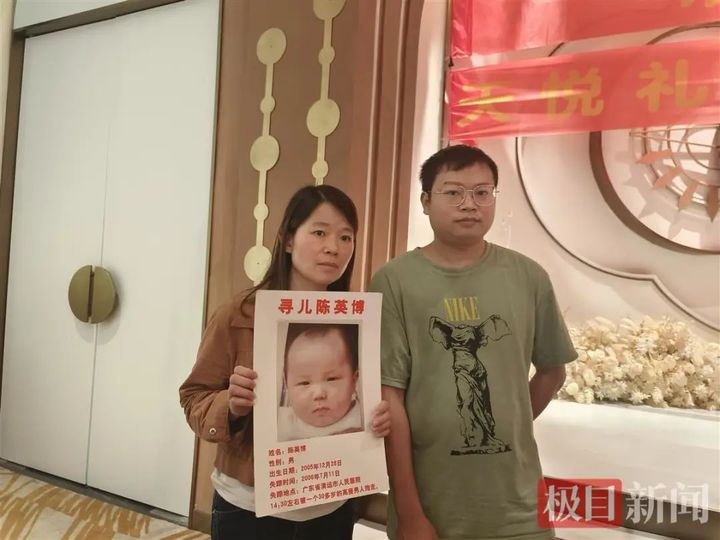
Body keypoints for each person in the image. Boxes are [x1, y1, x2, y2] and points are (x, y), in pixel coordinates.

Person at [369, 144, 577, 540]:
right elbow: (388, 395)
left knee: (476, 404)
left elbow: (552, 371)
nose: (469, 204)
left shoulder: (528, 277)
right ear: (426, 201)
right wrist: (410, 514)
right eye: (453, 192)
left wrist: (511, 424)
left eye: (482, 192)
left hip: (518, 506)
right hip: (431, 502)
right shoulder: (394, 281)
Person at [180, 185, 391, 540]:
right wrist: (230, 405)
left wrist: (377, 418)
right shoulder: (239, 314)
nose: (333, 247)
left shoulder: (358, 323)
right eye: (320, 233)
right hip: (249, 507)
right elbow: (193, 397)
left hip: (330, 506)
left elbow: (365, 399)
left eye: (345, 237)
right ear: (288, 240)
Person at [278, 323, 363, 441]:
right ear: (286, 384)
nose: (319, 394)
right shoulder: (279, 421)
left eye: (332, 379)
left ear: (354, 380)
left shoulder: (366, 417)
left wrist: (382, 423)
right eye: (304, 383)